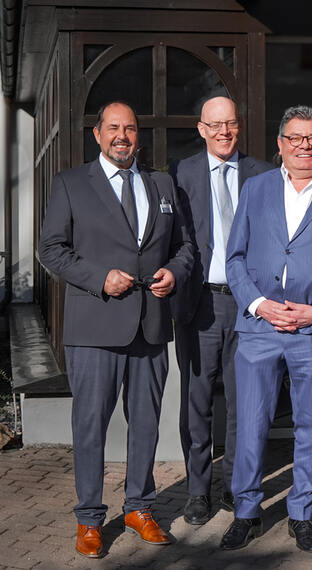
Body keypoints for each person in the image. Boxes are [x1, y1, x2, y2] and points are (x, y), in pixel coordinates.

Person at [37, 101, 194, 558]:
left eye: (129, 128)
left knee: (144, 424)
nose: (122, 135)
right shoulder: (70, 184)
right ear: (97, 134)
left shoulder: (161, 183)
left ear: (137, 135)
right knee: (91, 425)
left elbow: (185, 246)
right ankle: (89, 518)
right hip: (94, 326)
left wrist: (174, 273)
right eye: (113, 128)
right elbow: (52, 249)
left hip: (150, 324)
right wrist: (99, 277)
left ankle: (139, 508)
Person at [220, 105, 312, 553]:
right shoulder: (256, 188)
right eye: (295, 138)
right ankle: (247, 510)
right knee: (251, 424)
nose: (304, 145)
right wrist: (260, 305)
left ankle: (302, 510)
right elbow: (235, 258)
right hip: (259, 328)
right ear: (279, 144)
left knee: (311, 425)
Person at [169, 96, 273, 525]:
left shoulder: (264, 174)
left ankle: (234, 484)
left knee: (242, 401)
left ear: (239, 125)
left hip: (249, 305)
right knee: (197, 401)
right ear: (201, 128)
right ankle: (198, 490)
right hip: (200, 303)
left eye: (230, 123)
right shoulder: (180, 174)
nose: (224, 132)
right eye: (215, 125)